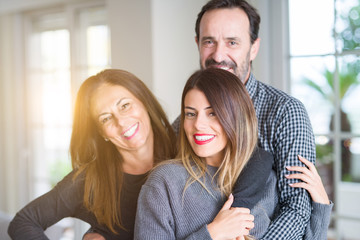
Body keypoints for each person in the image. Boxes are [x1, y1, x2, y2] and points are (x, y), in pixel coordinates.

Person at [170, 0, 319, 238]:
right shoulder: (186, 124)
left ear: (254, 47)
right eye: (209, 41)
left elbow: (297, 208)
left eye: (232, 42)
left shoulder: (284, 113)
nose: (218, 55)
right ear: (197, 44)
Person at [7, 69, 177, 240]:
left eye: (125, 106)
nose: (121, 122)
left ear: (144, 102)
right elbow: (24, 222)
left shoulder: (184, 150)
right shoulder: (90, 181)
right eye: (106, 118)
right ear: (102, 133)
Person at [134, 68, 278, 240]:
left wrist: (319, 208)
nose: (198, 124)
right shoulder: (165, 181)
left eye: (212, 113)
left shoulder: (266, 179)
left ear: (237, 117)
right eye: (190, 114)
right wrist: (212, 234)